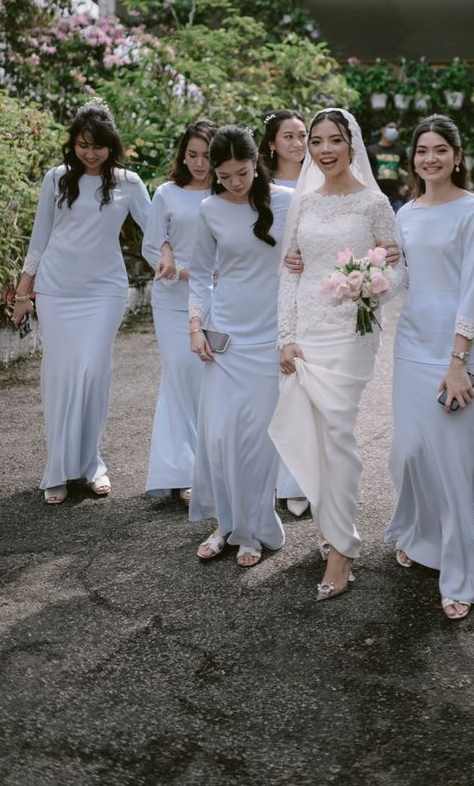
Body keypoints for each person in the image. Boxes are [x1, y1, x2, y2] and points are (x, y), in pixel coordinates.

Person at [269, 108, 403, 601]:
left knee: (339, 432)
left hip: (352, 331)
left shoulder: (374, 203)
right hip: (308, 328)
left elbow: (398, 268)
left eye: (334, 141)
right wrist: (285, 336)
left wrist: (371, 290)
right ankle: (332, 523)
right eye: (317, 141)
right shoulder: (303, 203)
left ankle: (341, 549)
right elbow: (290, 271)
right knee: (312, 431)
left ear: (352, 144)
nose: (324, 150)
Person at [11, 100, 151, 504]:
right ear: (73, 144)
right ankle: (57, 466)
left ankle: (91, 463)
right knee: (61, 373)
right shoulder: (56, 179)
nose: (90, 153)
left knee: (92, 372)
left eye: (98, 146)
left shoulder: (129, 182)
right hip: (57, 289)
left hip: (104, 289)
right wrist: (24, 293)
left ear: (112, 146)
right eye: (82, 145)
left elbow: (158, 229)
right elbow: (39, 239)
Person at [384, 115, 474, 620]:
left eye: (440, 150)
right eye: (422, 150)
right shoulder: (405, 213)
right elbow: (401, 280)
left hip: (458, 352)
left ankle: (461, 578)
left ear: (457, 155)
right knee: (409, 455)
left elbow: (473, 291)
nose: (430, 158)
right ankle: (420, 536)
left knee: (453, 468)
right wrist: (363, 277)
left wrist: (458, 362)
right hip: (411, 345)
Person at [188, 125, 295, 567]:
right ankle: (224, 524)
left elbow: (303, 260)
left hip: (270, 335)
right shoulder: (209, 208)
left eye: (243, 172)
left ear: (258, 162)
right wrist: (195, 326)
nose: (235, 182)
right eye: (225, 175)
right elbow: (199, 274)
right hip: (225, 336)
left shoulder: (286, 201)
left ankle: (253, 529)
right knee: (219, 437)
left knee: (255, 441)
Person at [141, 120, 216, 502]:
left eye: (206, 155)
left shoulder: (228, 193)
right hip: (171, 300)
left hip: (217, 297)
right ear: (182, 155)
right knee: (179, 374)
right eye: (192, 155)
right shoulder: (166, 193)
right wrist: (169, 256)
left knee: (208, 380)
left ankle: (207, 467)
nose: (199, 163)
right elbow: (152, 245)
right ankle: (182, 471)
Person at [258, 109, 311, 517]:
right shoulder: (260, 187)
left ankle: (299, 480)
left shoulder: (319, 182)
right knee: (268, 387)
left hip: (309, 291)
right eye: (289, 136)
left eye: (303, 135)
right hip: (265, 290)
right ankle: (270, 478)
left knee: (302, 383)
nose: (299, 143)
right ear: (272, 143)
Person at [367, 120, 409, 212]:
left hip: (396, 196)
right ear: (382, 130)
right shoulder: (370, 150)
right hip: (375, 196)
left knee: (397, 225)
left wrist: (405, 186)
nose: (394, 130)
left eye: (396, 128)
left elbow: (408, 170)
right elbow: (365, 173)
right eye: (391, 127)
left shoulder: (400, 151)